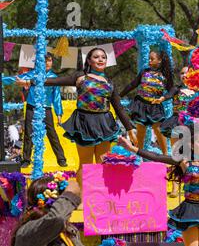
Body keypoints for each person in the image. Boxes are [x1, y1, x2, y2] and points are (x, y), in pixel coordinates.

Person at [17, 48, 137, 188]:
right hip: (84, 123)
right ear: (89, 61)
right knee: (85, 164)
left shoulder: (110, 82)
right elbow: (55, 81)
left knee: (102, 162)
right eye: (96, 57)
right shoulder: (81, 77)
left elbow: (119, 108)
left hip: (104, 124)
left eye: (103, 57)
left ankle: (97, 195)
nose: (100, 59)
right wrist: (30, 82)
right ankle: (83, 196)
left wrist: (129, 128)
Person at [4, 53, 67, 168]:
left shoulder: (54, 77)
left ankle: (61, 159)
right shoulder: (32, 74)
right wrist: (3, 79)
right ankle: (26, 160)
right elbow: (14, 79)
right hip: (31, 108)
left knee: (52, 133)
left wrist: (59, 113)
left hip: (46, 108)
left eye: (49, 61)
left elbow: (56, 96)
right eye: (44, 61)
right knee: (29, 133)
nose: (47, 63)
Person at [120, 50, 174, 155]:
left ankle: (165, 156)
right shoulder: (144, 72)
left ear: (159, 61)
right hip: (141, 105)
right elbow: (132, 85)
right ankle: (138, 155)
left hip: (155, 106)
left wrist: (164, 98)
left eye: (152, 59)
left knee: (158, 130)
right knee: (140, 132)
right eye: (149, 58)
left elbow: (172, 90)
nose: (149, 60)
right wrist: (118, 96)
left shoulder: (165, 75)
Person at [159, 66, 193, 197]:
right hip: (176, 122)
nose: (184, 75)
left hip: (191, 123)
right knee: (175, 154)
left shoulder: (197, 90)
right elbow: (168, 95)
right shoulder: (177, 89)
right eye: (182, 73)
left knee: (189, 155)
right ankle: (174, 186)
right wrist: (162, 98)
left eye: (187, 73)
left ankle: (189, 184)